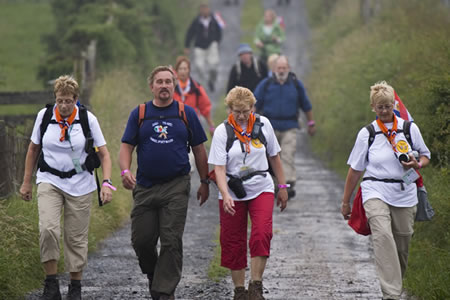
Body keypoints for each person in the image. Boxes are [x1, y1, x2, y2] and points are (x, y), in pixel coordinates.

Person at [119, 66, 209, 300]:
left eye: (168, 82)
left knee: (171, 240)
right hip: (145, 186)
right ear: (152, 86)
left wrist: (205, 181)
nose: (164, 86)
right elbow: (126, 146)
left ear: (174, 86)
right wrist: (126, 170)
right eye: (159, 82)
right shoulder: (139, 114)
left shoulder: (185, 113)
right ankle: (154, 274)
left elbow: (199, 150)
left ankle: (163, 291)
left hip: (176, 185)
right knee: (142, 241)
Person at [19, 75, 113, 300]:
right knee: (48, 229)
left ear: (76, 99)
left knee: (75, 237)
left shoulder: (87, 119)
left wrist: (107, 183)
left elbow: (105, 154)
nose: (63, 105)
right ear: (55, 98)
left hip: (80, 183)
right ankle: (51, 285)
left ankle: (75, 286)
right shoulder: (44, 116)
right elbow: (33, 149)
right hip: (49, 179)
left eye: (68, 101)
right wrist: (26, 182)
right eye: (60, 100)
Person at [341, 81, 430, 300]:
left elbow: (425, 156)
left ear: (394, 105)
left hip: (404, 191)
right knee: (382, 236)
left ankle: (395, 285)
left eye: (388, 106)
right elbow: (355, 169)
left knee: (402, 244)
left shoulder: (409, 128)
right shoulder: (368, 133)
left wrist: (417, 164)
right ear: (373, 107)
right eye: (380, 107)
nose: (384, 111)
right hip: (375, 188)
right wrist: (346, 201)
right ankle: (391, 294)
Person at [208, 86, 288, 300]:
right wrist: (225, 195)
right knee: (233, 240)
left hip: (261, 186)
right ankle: (239, 290)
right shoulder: (222, 132)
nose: (242, 116)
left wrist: (282, 187)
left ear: (253, 107)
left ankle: (256, 285)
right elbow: (219, 168)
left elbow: (275, 157)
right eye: (237, 112)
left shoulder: (264, 125)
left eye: (246, 111)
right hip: (232, 191)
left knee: (262, 233)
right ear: (229, 110)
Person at [253, 55, 315, 199]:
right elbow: (255, 104)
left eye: (284, 68)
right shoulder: (266, 84)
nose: (281, 70)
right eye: (279, 68)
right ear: (274, 69)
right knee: (272, 156)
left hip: (290, 126)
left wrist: (311, 123)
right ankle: (274, 184)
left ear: (289, 68)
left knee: (288, 153)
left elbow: (306, 105)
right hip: (270, 127)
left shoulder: (295, 84)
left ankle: (287, 184)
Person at [173, 55, 215, 137]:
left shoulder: (196, 88)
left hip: (192, 125)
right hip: (174, 126)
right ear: (176, 71)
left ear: (189, 70)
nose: (182, 71)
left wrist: (211, 126)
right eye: (180, 69)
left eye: (185, 69)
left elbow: (205, 108)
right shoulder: (171, 88)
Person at [184, 3, 222, 92]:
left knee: (214, 66)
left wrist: (217, 42)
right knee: (199, 66)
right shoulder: (196, 21)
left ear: (208, 9)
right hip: (199, 46)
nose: (204, 11)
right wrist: (187, 46)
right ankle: (205, 82)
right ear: (200, 10)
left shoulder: (213, 19)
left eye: (206, 9)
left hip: (211, 45)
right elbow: (190, 33)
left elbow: (219, 31)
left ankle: (211, 80)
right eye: (203, 9)